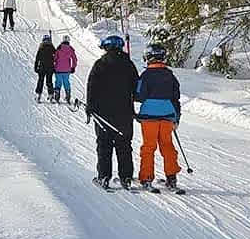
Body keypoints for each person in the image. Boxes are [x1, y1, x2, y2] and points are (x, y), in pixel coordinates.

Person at [85, 35, 139, 190]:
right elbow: (137, 89)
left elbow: (91, 86)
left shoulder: (100, 64)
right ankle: (126, 177)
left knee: (104, 145)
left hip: (103, 114)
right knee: (124, 145)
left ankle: (104, 177)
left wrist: (90, 107)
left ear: (106, 48)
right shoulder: (129, 64)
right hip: (124, 113)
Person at [135, 43, 182, 192]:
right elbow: (176, 98)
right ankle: (171, 178)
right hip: (167, 116)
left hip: (149, 116)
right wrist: (176, 117)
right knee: (167, 146)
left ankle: (147, 178)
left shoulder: (145, 75)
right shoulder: (170, 76)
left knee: (149, 147)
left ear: (148, 57)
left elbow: (139, 96)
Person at [52, 36, 78, 103]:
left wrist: (53, 65)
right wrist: (73, 67)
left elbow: (54, 58)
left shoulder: (59, 48)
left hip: (58, 69)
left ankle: (57, 97)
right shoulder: (70, 49)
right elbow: (74, 59)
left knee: (58, 82)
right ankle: (68, 96)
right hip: (67, 69)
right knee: (66, 82)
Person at [34, 35, 56, 103]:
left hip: (42, 67)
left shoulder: (41, 48)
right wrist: (55, 67)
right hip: (50, 68)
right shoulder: (52, 48)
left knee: (40, 81)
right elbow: (56, 58)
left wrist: (36, 67)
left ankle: (38, 95)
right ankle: (51, 95)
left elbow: (37, 59)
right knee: (49, 82)